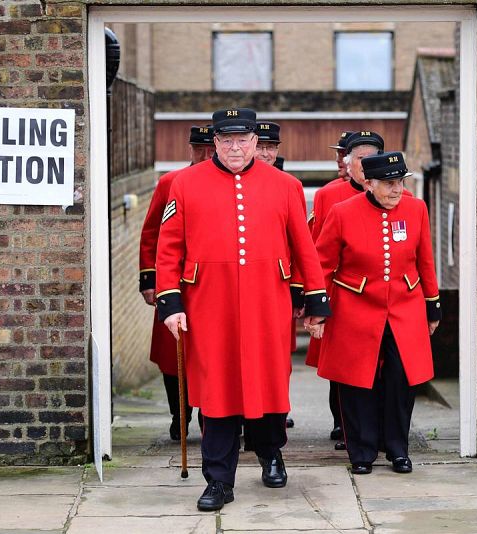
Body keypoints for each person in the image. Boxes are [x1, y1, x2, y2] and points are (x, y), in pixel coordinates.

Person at [155, 108, 331, 512]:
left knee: (267, 384)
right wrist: (170, 302)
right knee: (216, 391)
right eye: (226, 140)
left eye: (243, 139)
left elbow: (304, 246)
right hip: (208, 305)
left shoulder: (285, 185)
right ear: (214, 143)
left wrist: (316, 298)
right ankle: (218, 479)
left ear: (256, 142)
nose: (235, 147)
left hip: (267, 302)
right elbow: (169, 250)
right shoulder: (184, 184)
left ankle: (271, 454)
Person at [313, 151, 441, 475]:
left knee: (401, 380)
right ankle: (362, 451)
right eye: (388, 183)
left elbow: (425, 260)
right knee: (358, 382)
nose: (396, 189)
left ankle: (398, 449)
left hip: (405, 307)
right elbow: (323, 263)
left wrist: (432, 304)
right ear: (368, 183)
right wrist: (317, 308)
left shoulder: (416, 209)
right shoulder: (342, 213)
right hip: (356, 307)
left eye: (400, 182)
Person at [305, 131, 385, 446]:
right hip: (342, 292)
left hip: (380, 294)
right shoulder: (328, 195)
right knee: (342, 366)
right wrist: (315, 297)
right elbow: (319, 249)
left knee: (380, 366)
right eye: (357, 158)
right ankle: (344, 424)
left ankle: (376, 427)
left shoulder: (396, 195)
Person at [139, 124, 214, 441]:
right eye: (200, 149)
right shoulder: (171, 181)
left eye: (211, 149)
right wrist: (149, 278)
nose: (206, 155)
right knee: (174, 356)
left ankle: (213, 419)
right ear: (191, 149)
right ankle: (179, 415)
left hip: (211, 283)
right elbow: (152, 231)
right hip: (175, 280)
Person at [254, 120, 300, 429]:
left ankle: (271, 428)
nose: (266, 153)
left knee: (275, 364)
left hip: (275, 288)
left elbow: (299, 244)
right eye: (262, 146)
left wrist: (300, 291)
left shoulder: (287, 185)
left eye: (272, 148)